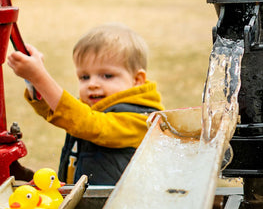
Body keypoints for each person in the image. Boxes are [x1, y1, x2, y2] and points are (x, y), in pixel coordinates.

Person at [7, 23, 163, 185]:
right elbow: (64, 113)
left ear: (137, 80)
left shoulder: (143, 120)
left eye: (107, 76)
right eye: (84, 77)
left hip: (117, 207)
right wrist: (33, 82)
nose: (92, 84)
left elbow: (87, 123)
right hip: (90, 201)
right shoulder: (95, 109)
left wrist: (40, 77)